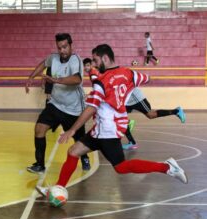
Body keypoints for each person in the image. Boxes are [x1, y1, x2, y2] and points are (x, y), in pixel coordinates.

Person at [36, 44, 187, 196]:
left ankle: (167, 167)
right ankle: (58, 188)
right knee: (74, 151)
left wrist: (72, 130)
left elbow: (90, 108)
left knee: (121, 167)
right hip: (105, 127)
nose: (94, 64)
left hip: (108, 130)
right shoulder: (129, 73)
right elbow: (146, 78)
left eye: (95, 60)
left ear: (105, 58)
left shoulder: (103, 82)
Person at [25, 33, 90, 173]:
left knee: (79, 139)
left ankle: (84, 157)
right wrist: (31, 77)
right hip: (55, 104)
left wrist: (56, 80)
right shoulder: (53, 58)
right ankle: (40, 165)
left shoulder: (75, 60)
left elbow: (77, 79)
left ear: (70, 45)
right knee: (39, 129)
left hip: (73, 108)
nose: (62, 51)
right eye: (59, 47)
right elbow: (43, 63)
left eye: (65, 47)